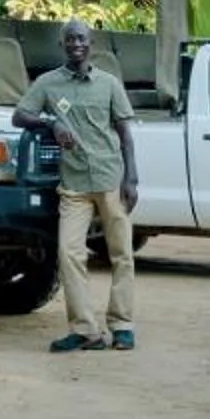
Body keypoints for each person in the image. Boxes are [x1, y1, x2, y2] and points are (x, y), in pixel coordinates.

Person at [14, 20, 139, 353]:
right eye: (70, 39)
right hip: (74, 185)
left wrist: (132, 178)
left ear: (91, 43)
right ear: (62, 45)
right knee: (69, 254)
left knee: (122, 254)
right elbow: (20, 115)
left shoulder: (109, 84)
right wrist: (50, 122)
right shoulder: (48, 83)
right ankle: (85, 330)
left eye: (81, 39)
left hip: (111, 178)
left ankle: (122, 325)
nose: (76, 44)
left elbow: (126, 134)